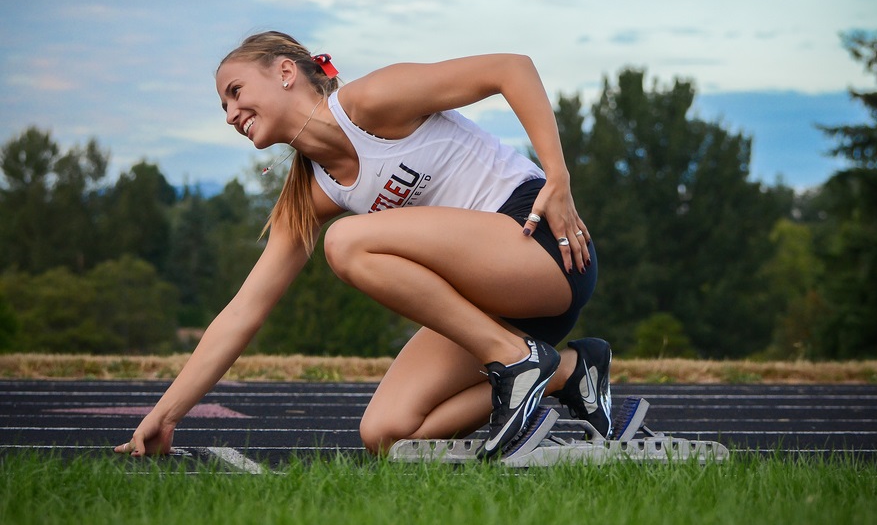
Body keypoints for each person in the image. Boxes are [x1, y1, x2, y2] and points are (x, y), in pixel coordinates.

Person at [114, 31, 610, 460]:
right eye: (223, 105)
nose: (229, 114)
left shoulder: (370, 102)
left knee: (347, 242)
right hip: (490, 305)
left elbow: (511, 68)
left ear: (286, 71)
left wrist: (558, 178)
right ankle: (568, 371)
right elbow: (243, 311)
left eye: (235, 91)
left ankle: (514, 359)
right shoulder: (309, 196)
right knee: (388, 435)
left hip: (544, 250)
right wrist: (165, 414)